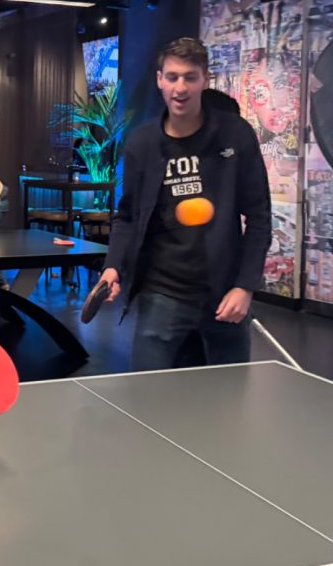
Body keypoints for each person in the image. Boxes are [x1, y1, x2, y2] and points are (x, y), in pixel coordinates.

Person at [98, 37, 272, 371]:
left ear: (205, 79)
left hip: (225, 293)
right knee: (151, 401)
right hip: (161, 293)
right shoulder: (142, 142)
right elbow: (128, 216)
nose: (181, 87)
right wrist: (113, 266)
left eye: (190, 77)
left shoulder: (236, 135)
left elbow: (259, 218)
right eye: (173, 77)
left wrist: (245, 286)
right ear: (160, 79)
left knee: (228, 401)